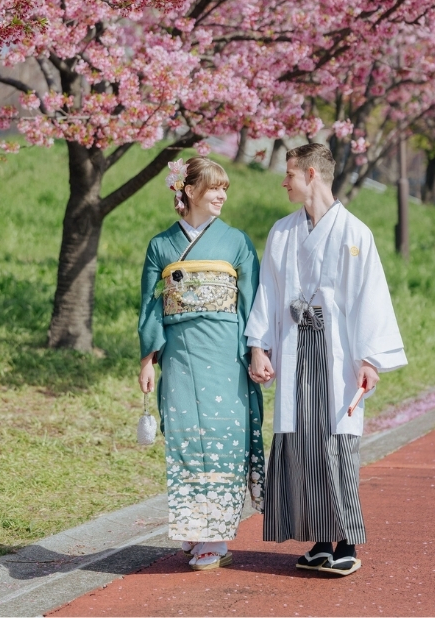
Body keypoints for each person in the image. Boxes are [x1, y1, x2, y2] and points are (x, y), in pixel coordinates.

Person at [245, 143, 407, 576]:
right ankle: (319, 539)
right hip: (296, 346)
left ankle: (347, 542)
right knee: (300, 443)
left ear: (312, 174)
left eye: (290, 174)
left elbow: (369, 298)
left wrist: (370, 359)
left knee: (336, 444)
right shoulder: (282, 232)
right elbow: (268, 294)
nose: (285, 181)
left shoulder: (356, 233)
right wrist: (260, 347)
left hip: (338, 353)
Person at [138, 155, 265, 572]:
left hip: (224, 351)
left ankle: (216, 536)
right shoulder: (161, 245)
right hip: (178, 353)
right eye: (214, 188)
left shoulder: (237, 242)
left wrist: (257, 350)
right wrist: (147, 359)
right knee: (186, 438)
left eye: (225, 189)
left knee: (222, 436)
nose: (222, 196)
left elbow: (253, 304)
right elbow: (150, 306)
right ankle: (196, 528)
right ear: (189, 190)